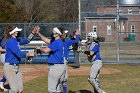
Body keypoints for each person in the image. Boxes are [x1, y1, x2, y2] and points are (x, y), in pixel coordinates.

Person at [3, 25, 37, 93]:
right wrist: (29, 54)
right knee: (15, 90)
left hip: (16, 67)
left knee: (20, 90)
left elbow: (27, 40)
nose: (18, 32)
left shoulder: (16, 40)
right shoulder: (11, 41)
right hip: (10, 67)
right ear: (13, 32)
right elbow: (19, 54)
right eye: (17, 31)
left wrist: (33, 33)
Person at [36, 27, 66, 93]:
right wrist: (38, 33)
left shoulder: (56, 42)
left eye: (54, 32)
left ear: (57, 34)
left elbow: (46, 50)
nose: (52, 33)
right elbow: (46, 40)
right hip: (60, 67)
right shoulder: (59, 41)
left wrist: (39, 48)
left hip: (55, 67)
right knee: (57, 89)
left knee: (51, 90)